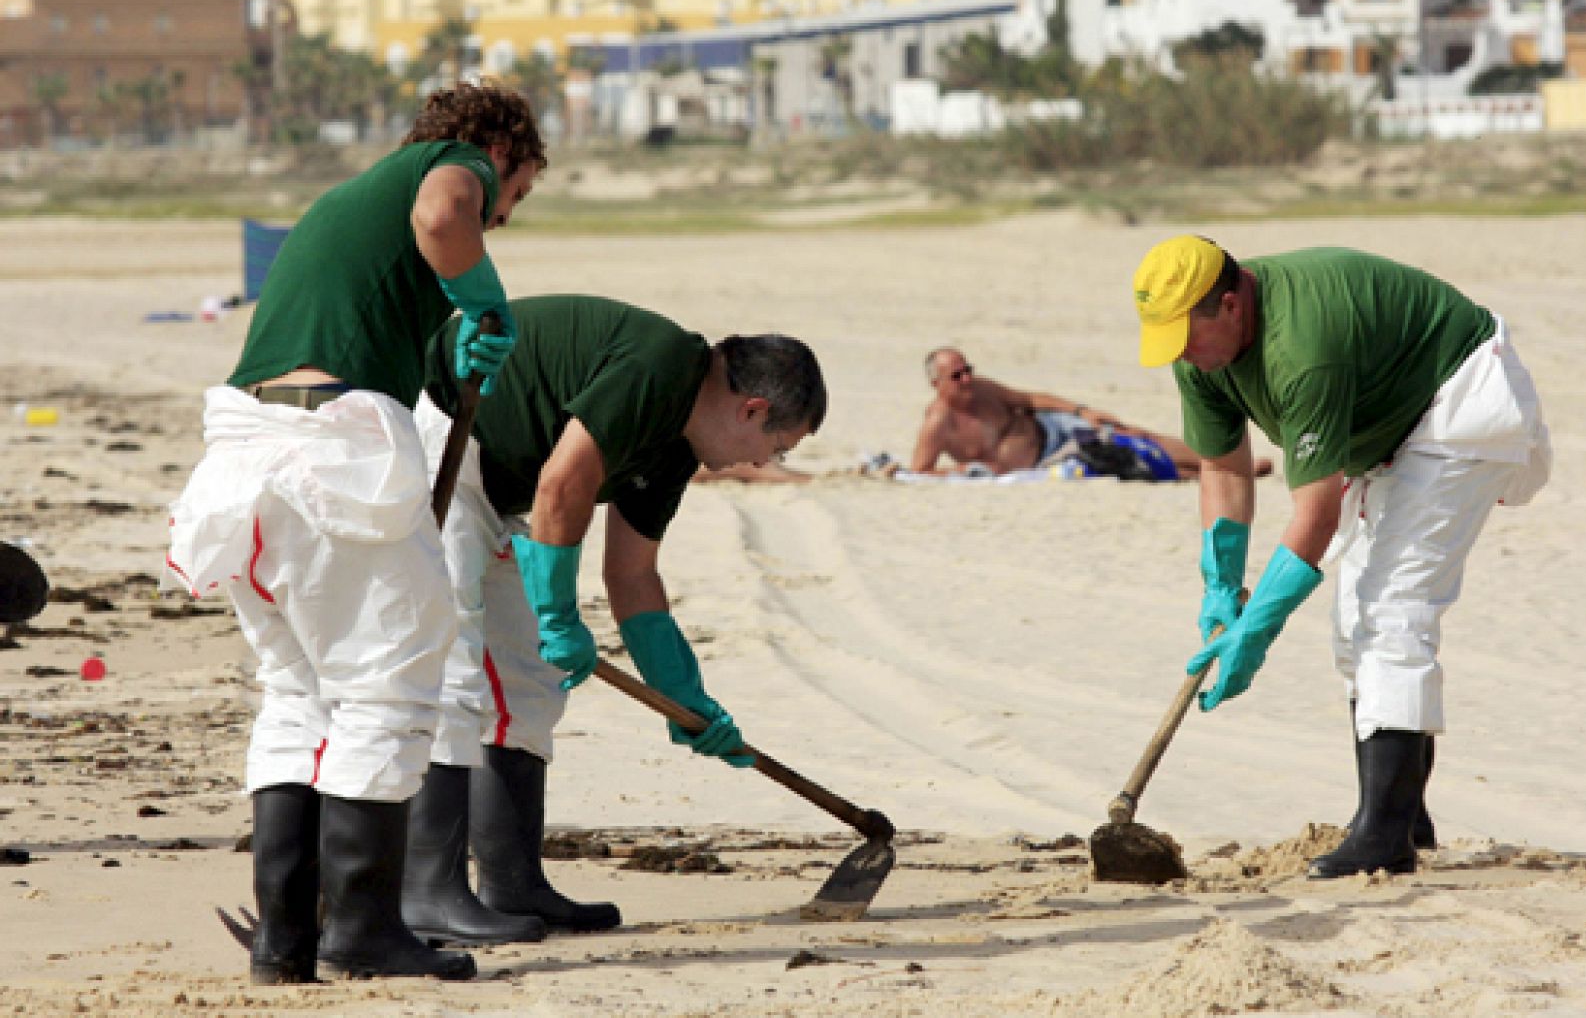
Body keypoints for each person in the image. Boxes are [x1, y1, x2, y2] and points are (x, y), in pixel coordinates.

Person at [164, 82, 544, 984]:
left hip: (245, 451)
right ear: (501, 153)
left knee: (298, 692)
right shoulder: (449, 166)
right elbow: (447, 215)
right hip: (328, 452)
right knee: (388, 687)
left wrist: (453, 340)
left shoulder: (350, 205)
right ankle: (366, 930)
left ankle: (285, 941)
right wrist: (487, 300)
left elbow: (383, 323)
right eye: (518, 195)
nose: (505, 216)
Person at [403, 294, 827, 943]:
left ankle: (513, 884)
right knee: (455, 675)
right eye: (778, 447)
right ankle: (427, 891)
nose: (762, 464)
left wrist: (682, 696)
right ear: (752, 409)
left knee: (531, 682)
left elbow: (631, 574)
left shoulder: (677, 445)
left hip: (501, 490)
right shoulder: (661, 367)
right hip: (446, 445)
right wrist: (557, 615)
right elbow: (562, 483)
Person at [1132, 234, 1551, 879]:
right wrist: (1221, 584)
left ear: (1231, 305)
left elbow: (1315, 514)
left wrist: (1257, 628)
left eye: (1185, 336)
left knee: (1392, 607)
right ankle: (1403, 816)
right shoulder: (1199, 359)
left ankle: (1385, 837)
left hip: (1459, 400)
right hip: (1383, 429)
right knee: (1355, 619)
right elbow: (1224, 469)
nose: (1179, 353)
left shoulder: (1303, 349)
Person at [910, 347, 1269, 480]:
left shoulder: (984, 389)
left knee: (1128, 434)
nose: (967, 379)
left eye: (968, 369)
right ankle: (1211, 474)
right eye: (957, 376)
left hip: (1052, 430)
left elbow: (1032, 399)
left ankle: (1220, 461)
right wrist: (961, 470)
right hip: (1044, 462)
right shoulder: (938, 424)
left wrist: (1082, 411)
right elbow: (920, 471)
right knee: (1130, 464)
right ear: (935, 383)